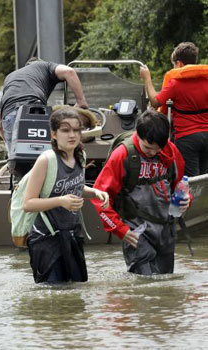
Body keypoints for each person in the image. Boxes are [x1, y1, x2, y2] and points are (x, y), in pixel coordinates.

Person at [92, 110, 190, 275]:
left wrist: (187, 199)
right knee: (144, 285)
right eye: (147, 148)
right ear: (138, 135)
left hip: (165, 229)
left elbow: (180, 183)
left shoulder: (170, 150)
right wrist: (121, 230)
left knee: (166, 285)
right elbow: (98, 197)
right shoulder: (122, 155)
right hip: (136, 232)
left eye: (157, 149)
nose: (152, 153)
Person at [22, 107, 109, 283]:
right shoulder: (46, 160)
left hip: (72, 235)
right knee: (53, 296)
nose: (72, 135)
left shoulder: (80, 156)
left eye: (77, 130)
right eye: (66, 130)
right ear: (54, 134)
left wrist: (95, 192)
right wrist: (60, 201)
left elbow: (75, 188)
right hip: (46, 239)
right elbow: (28, 203)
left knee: (76, 291)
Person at [139, 42, 208, 176]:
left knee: (191, 181)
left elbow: (154, 102)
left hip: (187, 139)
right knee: (205, 180)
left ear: (179, 64)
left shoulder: (175, 84)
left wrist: (147, 78)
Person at [0, 58, 89, 150]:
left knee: (17, 156)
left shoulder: (10, 76)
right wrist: (81, 101)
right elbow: (69, 71)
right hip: (33, 108)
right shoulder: (45, 66)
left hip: (9, 115)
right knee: (43, 151)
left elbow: (1, 125)